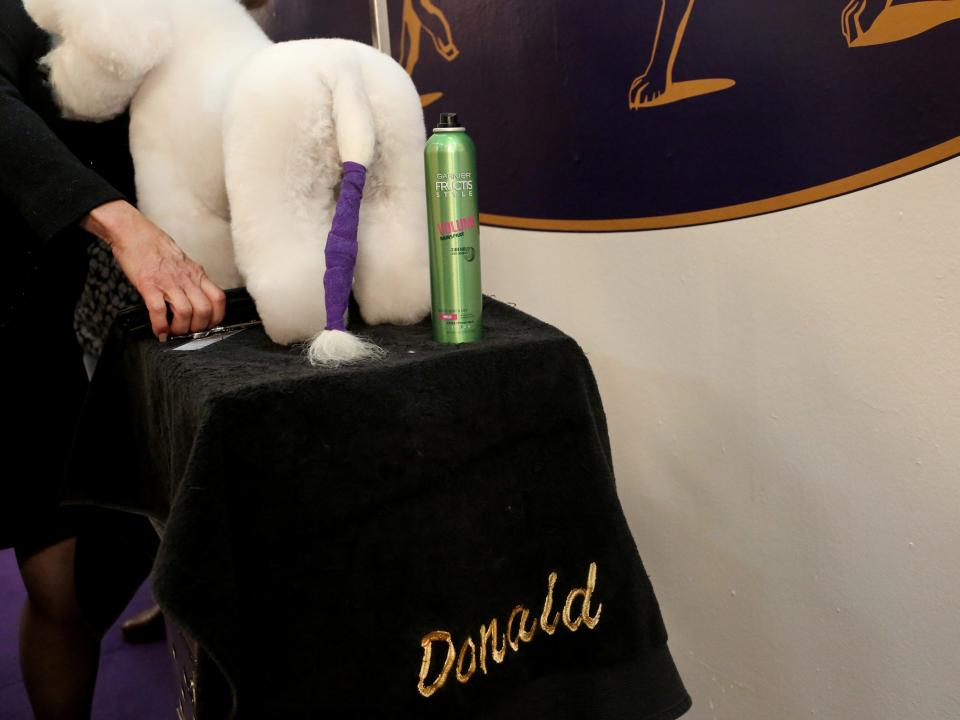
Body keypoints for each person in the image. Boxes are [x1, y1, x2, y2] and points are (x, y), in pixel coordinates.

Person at [0, 0, 226, 717]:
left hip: (95, 317)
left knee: (85, 579)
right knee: (56, 585)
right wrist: (124, 226)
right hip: (19, 311)